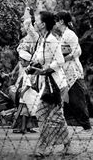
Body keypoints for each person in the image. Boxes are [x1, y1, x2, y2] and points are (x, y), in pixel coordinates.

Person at [30, 11, 72, 157]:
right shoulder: (42, 40)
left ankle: (42, 149)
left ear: (43, 24)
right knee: (51, 116)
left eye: (36, 21)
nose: (34, 23)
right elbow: (39, 59)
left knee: (48, 116)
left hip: (56, 84)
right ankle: (66, 143)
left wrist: (45, 70)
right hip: (48, 84)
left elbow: (60, 60)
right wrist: (34, 66)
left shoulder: (51, 40)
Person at [54, 11, 91, 132]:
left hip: (73, 71)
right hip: (65, 70)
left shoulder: (70, 35)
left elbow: (77, 51)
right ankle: (69, 124)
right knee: (67, 99)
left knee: (77, 99)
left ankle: (86, 125)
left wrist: (64, 58)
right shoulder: (62, 35)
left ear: (61, 21)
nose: (55, 23)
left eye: (57, 20)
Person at [12, 50, 38, 134]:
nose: (21, 63)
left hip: (28, 94)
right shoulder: (30, 69)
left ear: (26, 61)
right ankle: (26, 127)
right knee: (27, 111)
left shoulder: (27, 70)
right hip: (29, 94)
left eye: (22, 61)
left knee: (25, 111)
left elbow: (28, 84)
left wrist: (22, 92)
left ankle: (23, 128)